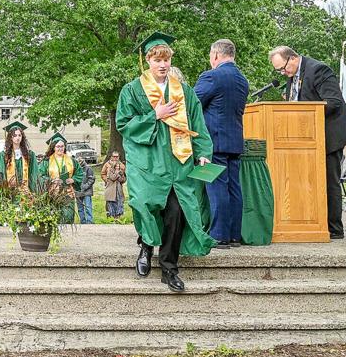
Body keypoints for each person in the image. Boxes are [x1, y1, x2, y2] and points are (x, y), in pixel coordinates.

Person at [116, 32, 215, 292]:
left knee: (176, 211)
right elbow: (124, 124)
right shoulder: (132, 90)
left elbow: (198, 124)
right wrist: (154, 115)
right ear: (147, 60)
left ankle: (169, 269)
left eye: (166, 60)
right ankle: (146, 247)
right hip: (148, 163)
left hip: (178, 164)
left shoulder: (184, 92)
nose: (162, 65)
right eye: (157, 60)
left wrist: (203, 152)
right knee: (145, 204)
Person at [269, 45, 346, 240]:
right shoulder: (292, 76)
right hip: (307, 137)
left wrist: (304, 114)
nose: (282, 73)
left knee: (329, 180)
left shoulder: (318, 70)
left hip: (330, 134)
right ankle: (313, 223)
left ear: (292, 58)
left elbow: (333, 102)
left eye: (283, 68)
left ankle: (335, 229)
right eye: (279, 71)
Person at [193, 39, 250, 248]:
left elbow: (193, 103)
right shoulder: (242, 80)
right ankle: (234, 236)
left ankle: (219, 235)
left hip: (214, 142)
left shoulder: (211, 76)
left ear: (216, 55)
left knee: (217, 189)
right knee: (234, 189)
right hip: (234, 141)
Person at [39, 134, 84, 222]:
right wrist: (51, 180)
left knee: (68, 216)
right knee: (54, 216)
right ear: (53, 147)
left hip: (68, 193)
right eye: (58, 146)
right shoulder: (46, 161)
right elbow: (40, 175)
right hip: (52, 193)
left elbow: (80, 173)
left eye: (62, 146)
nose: (60, 148)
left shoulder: (72, 161)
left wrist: (73, 179)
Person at [0, 121, 39, 192]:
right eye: (15, 135)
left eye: (19, 135)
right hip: (9, 193)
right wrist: (6, 182)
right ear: (10, 137)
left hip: (26, 193)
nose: (17, 138)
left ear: (22, 137)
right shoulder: (3, 155)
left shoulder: (29, 155)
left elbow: (34, 174)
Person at [101, 152, 127, 218]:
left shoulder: (122, 165)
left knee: (119, 201)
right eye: (114, 156)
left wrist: (122, 180)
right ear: (111, 156)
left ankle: (118, 215)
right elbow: (103, 174)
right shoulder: (107, 164)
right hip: (110, 186)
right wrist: (106, 180)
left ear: (118, 157)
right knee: (109, 201)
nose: (115, 158)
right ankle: (109, 215)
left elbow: (124, 176)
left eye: (117, 156)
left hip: (118, 187)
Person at [75, 158, 95, 224]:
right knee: (80, 208)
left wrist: (85, 186)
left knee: (88, 207)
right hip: (78, 191)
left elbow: (92, 179)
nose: (79, 163)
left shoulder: (88, 169)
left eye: (80, 161)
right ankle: (82, 221)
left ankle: (89, 221)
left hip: (87, 192)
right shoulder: (75, 169)